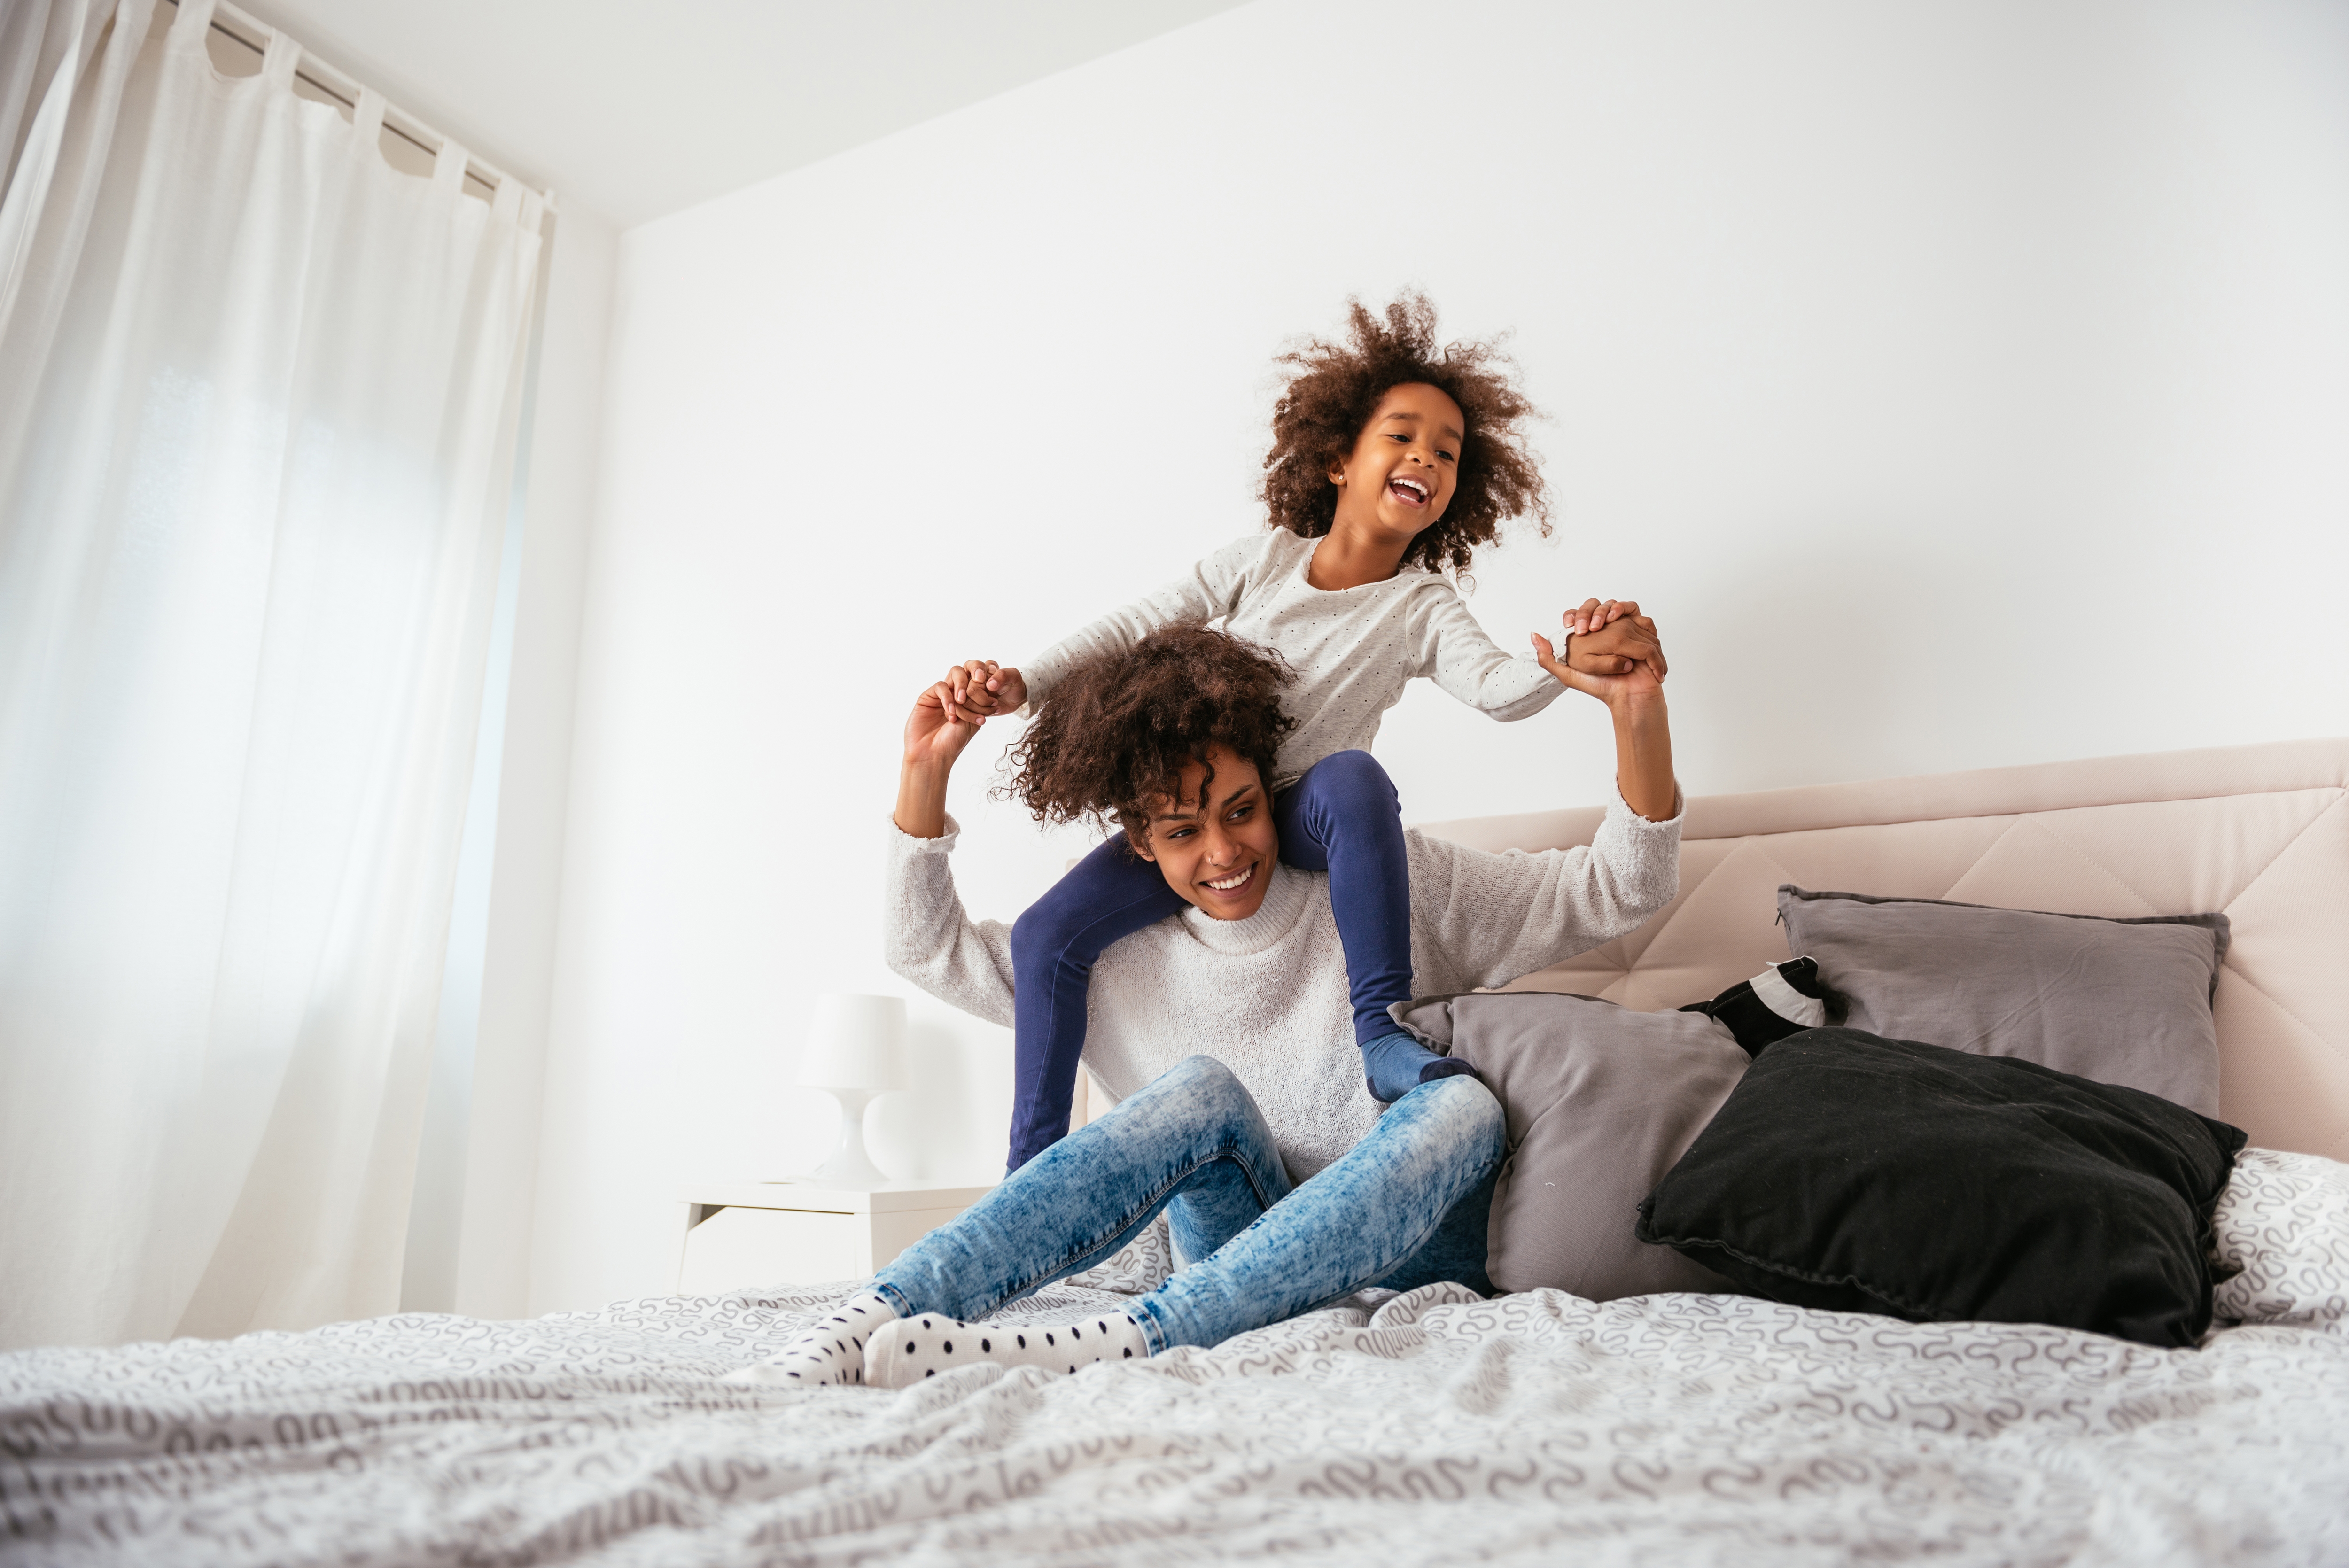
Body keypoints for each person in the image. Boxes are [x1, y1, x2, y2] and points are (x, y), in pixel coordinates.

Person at [733, 617, 1677, 1388]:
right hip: (1237, 1253)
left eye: (1239, 810)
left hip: (1419, 1247)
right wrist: (924, 775)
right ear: (1139, 844)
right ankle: (873, 1316)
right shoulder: (1108, 959)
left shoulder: (1385, 883)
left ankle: (1134, 1337)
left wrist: (1637, 715)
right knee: (1197, 1090)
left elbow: (1613, 892)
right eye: (1183, 832)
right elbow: (925, 950)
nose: (1223, 853)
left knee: (1463, 1103)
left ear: (1272, 792)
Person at [936, 294, 1665, 1173]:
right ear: (1336, 459)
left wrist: (1562, 663)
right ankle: (1033, 1167)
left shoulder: (1421, 604)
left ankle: (1380, 1030)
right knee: (1044, 935)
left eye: (1446, 452)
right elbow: (1138, 622)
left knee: (1355, 777)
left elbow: (1496, 686)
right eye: (1402, 436)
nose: (1425, 459)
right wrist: (1023, 683)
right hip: (1214, 809)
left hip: (1302, 817)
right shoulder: (1264, 560)